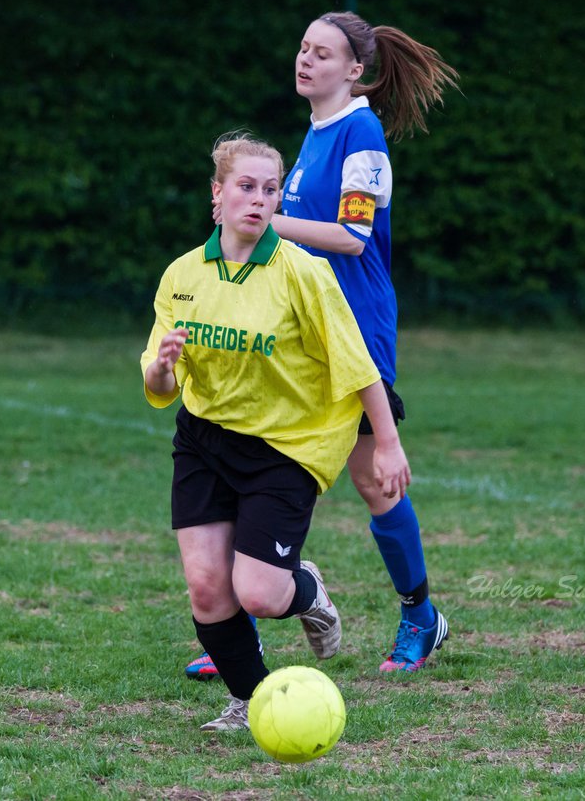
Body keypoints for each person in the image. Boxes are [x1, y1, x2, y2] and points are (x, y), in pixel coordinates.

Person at [185, 11, 457, 681]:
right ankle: (241, 621)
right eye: (303, 47)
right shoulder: (314, 135)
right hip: (303, 336)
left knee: (373, 481)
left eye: (323, 53)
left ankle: (421, 616)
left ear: (354, 70)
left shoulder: (360, 130)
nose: (305, 59)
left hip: (356, 334)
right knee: (269, 457)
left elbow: (353, 237)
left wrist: (269, 221)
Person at [143, 133, 412, 730]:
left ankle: (305, 589)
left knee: (261, 593)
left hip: (284, 449)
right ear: (217, 195)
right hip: (205, 440)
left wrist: (387, 443)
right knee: (209, 588)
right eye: (245, 187)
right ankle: (252, 700)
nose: (258, 200)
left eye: (270, 189)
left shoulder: (304, 273)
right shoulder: (182, 276)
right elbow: (161, 388)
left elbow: (358, 363)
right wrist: (162, 370)